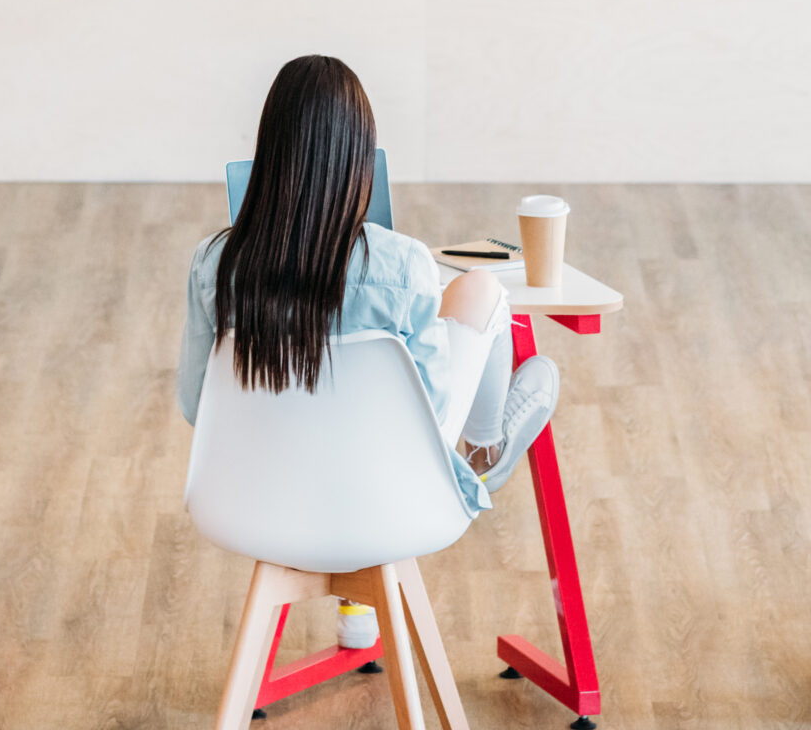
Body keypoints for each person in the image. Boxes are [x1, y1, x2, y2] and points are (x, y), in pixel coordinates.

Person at [176, 56, 561, 646]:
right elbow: (427, 412)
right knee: (483, 289)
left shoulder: (215, 263)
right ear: (359, 159)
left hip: (262, 499)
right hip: (388, 498)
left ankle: (482, 452)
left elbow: (197, 406)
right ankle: (486, 449)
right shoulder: (402, 262)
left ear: (270, 150)